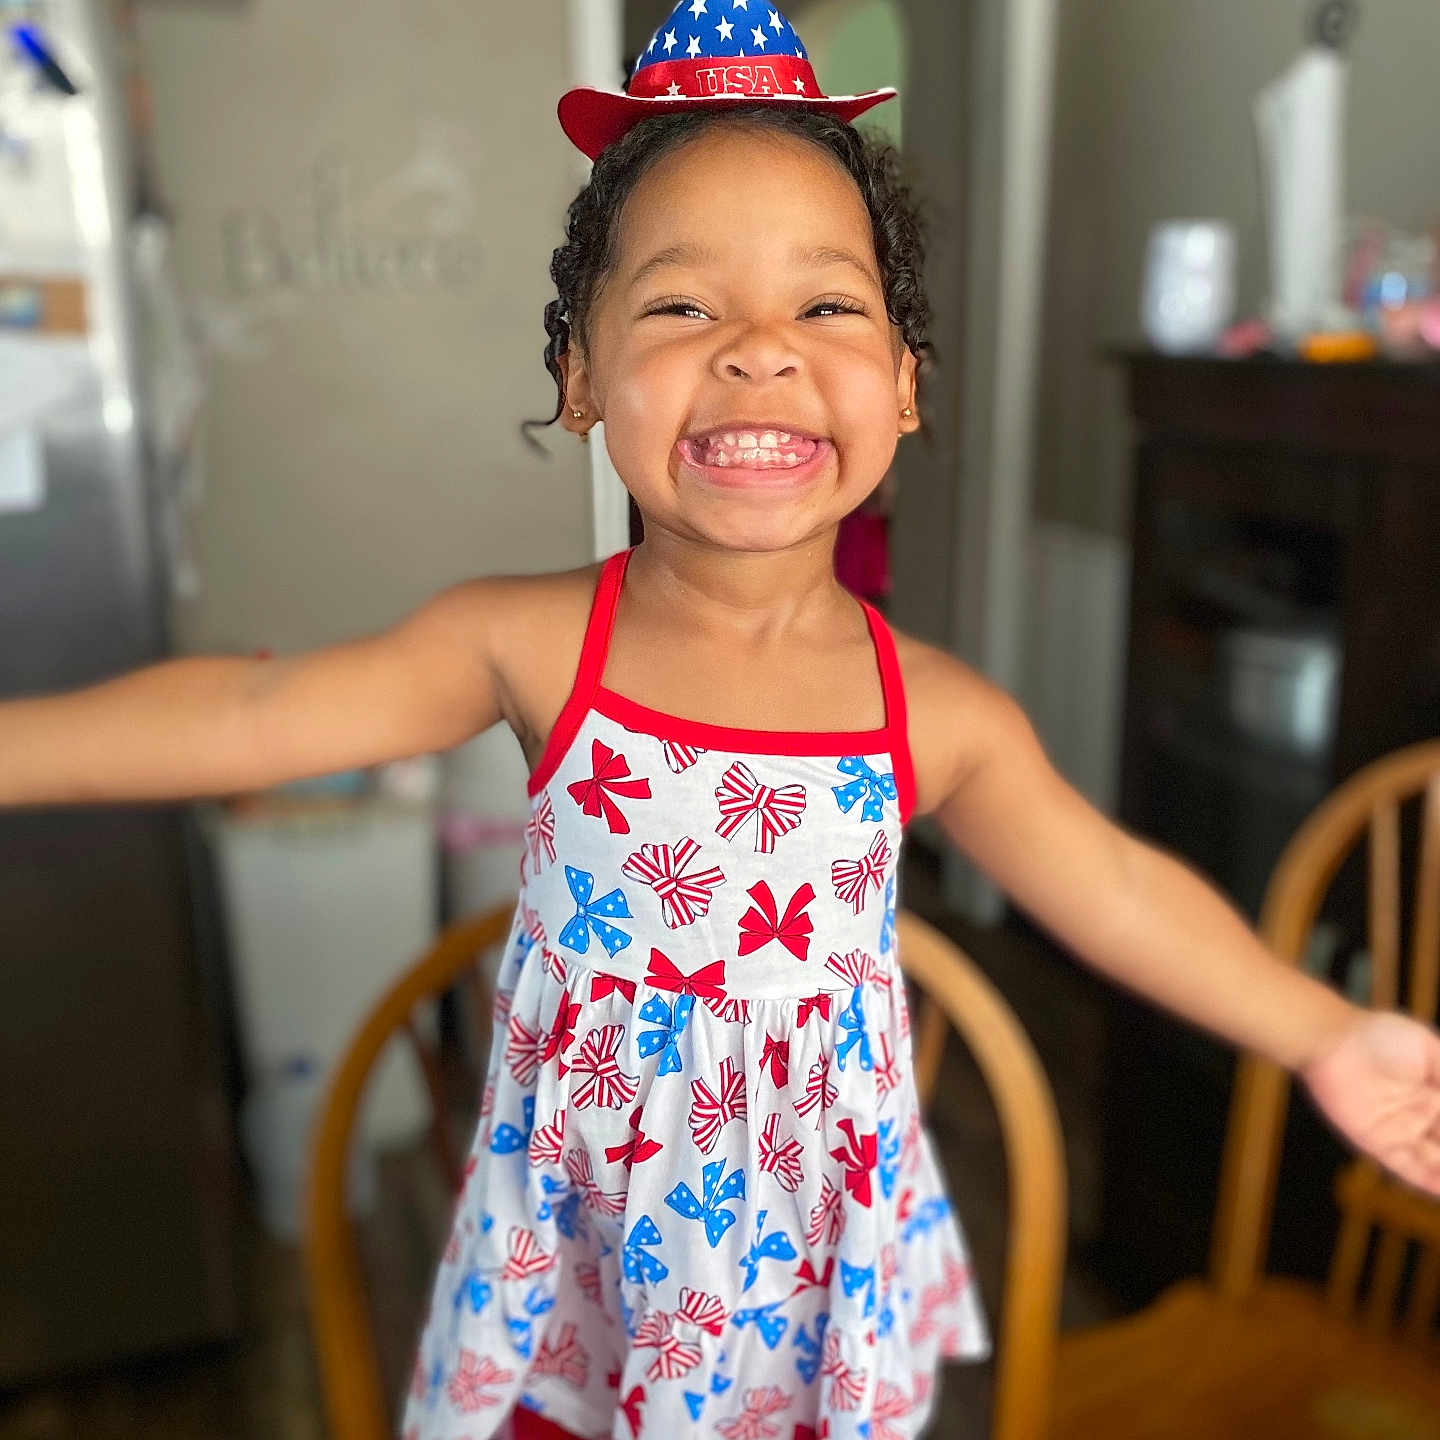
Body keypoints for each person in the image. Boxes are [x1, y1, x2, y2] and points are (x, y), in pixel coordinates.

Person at [3, 5, 1437, 1438]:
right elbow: (257, 710)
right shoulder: (530, 643)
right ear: (579, 378)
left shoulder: (936, 716)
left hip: (802, 1306)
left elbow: (1118, 890)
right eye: (683, 306)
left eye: (827, 306)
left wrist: (1323, 1032)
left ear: (905, 390)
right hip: (575, 1276)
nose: (760, 351)